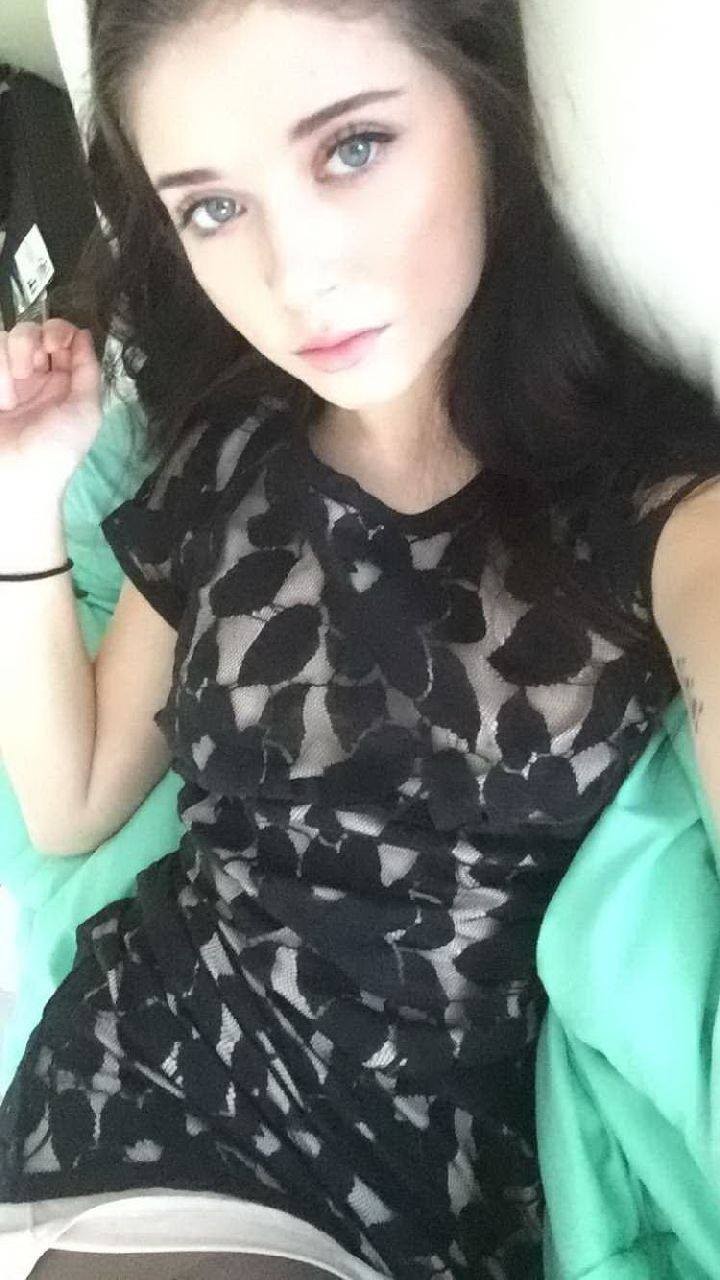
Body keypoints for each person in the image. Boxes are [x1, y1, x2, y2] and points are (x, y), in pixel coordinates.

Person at [0, 1, 719, 1277]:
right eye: (213, 207)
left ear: (481, 104)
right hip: (138, 1092)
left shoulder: (660, 508)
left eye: (352, 148)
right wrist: (19, 499)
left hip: (418, 1193)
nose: (294, 277)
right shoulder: (232, 451)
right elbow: (71, 803)